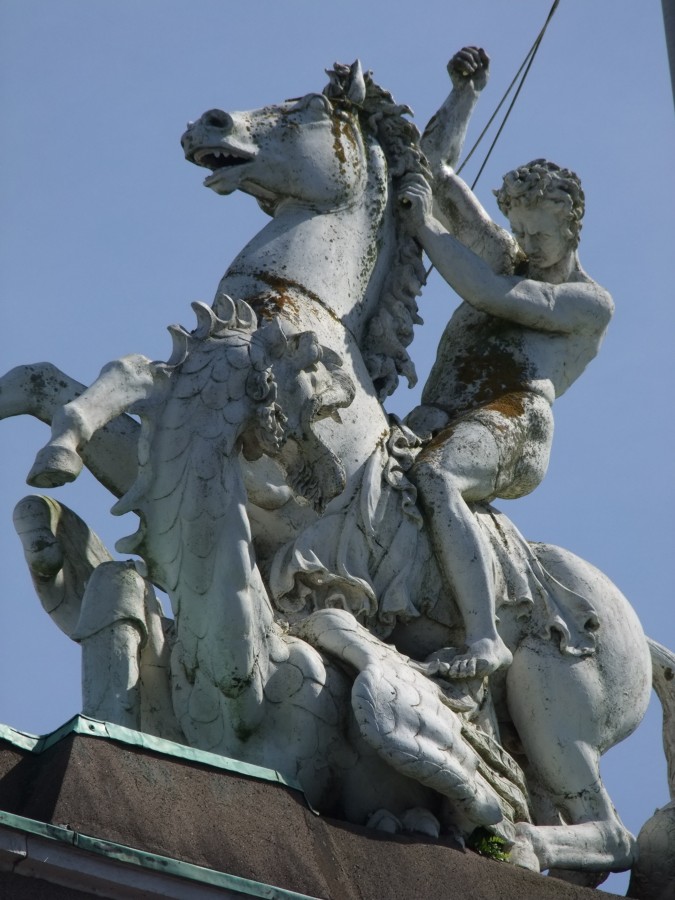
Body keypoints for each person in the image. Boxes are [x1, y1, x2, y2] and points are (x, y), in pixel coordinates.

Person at [398, 49, 614, 680]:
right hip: (437, 410)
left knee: (436, 478)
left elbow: (494, 297)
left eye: (540, 233)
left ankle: (485, 637)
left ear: (572, 228)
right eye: (519, 227)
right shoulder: (503, 252)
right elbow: (433, 170)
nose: (527, 243)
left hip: (513, 421)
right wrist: (466, 94)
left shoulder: (587, 305)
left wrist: (429, 233)